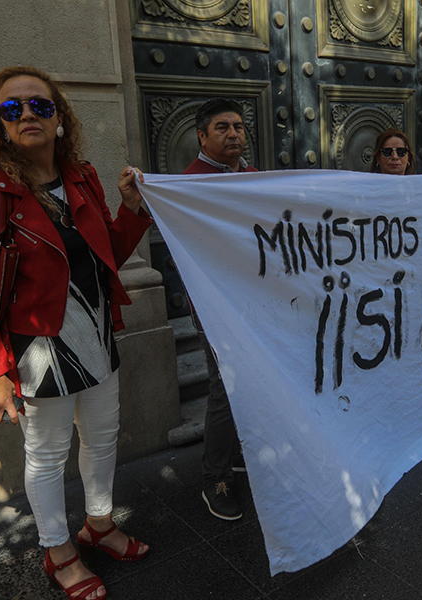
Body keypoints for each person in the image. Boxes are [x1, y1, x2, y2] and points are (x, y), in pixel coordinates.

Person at [0, 66, 152, 600]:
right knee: (48, 453)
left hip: (96, 334)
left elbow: (106, 258)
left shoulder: (80, 176)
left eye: (40, 105)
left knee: (103, 439)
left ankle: (98, 525)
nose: (28, 114)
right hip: (37, 348)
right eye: (13, 109)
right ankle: (58, 551)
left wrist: (131, 213)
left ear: (59, 117)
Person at [183, 98, 258, 521]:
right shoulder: (188, 184)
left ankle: (236, 454)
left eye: (239, 127)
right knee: (224, 390)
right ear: (202, 136)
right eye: (222, 128)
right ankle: (216, 478)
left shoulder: (251, 176)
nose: (233, 134)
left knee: (247, 384)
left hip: (252, 299)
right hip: (214, 304)